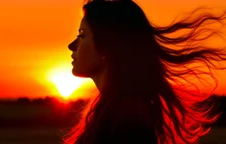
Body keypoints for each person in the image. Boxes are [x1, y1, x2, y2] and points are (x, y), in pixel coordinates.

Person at [65, 0, 226, 143]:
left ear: (107, 46)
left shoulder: (128, 114)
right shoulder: (112, 108)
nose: (72, 45)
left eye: (82, 35)